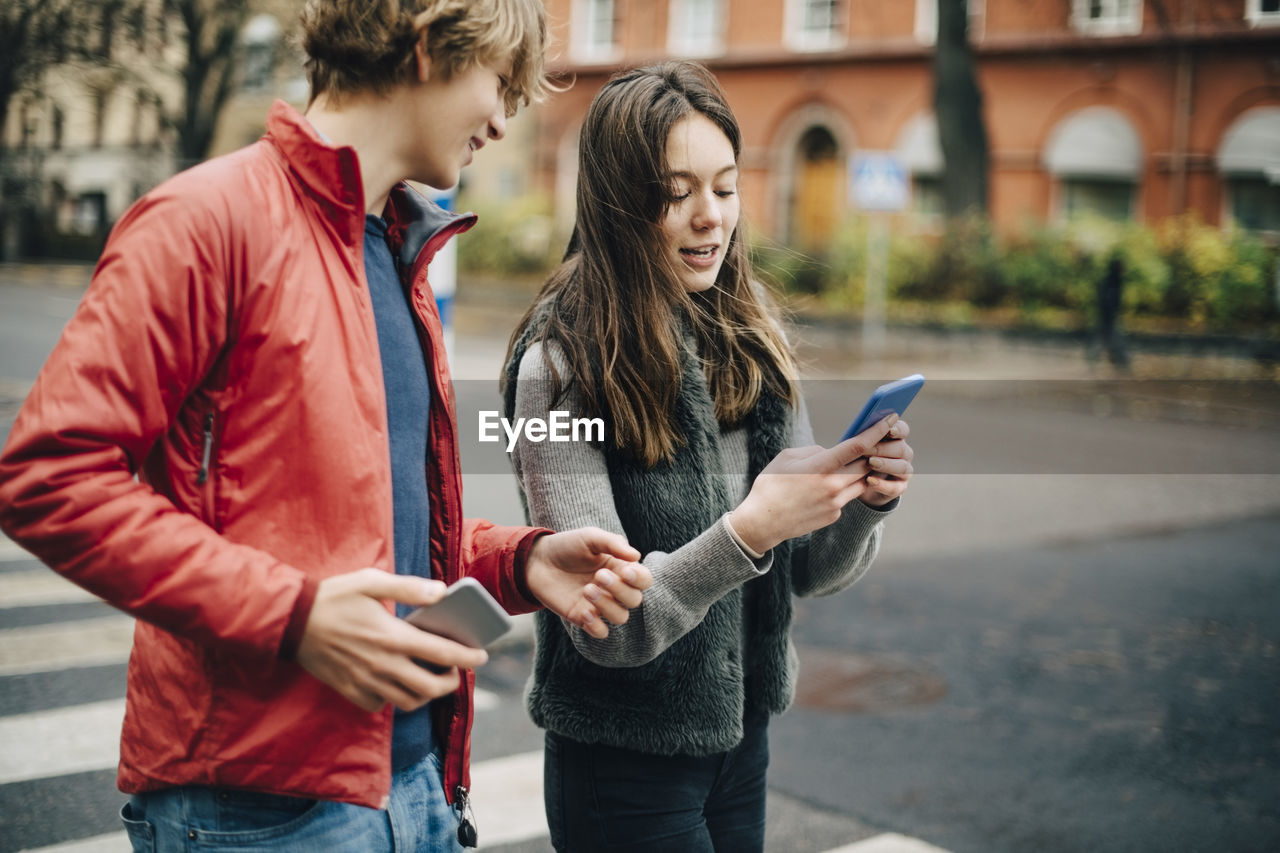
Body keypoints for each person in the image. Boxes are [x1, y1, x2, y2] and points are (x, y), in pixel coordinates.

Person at [0, 1, 653, 851]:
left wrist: (520, 561)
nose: (501, 118)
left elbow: (362, 529)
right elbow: (47, 476)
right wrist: (294, 615)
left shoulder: (397, 250)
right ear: (428, 46)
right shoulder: (208, 219)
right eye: (498, 81)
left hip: (414, 785)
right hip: (253, 808)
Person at [500, 61, 917, 852]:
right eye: (675, 191)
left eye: (725, 189)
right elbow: (607, 626)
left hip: (740, 742)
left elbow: (806, 571)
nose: (709, 219)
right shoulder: (556, 365)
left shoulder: (749, 337)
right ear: (620, 202)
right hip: (620, 762)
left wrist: (863, 500)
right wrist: (749, 531)